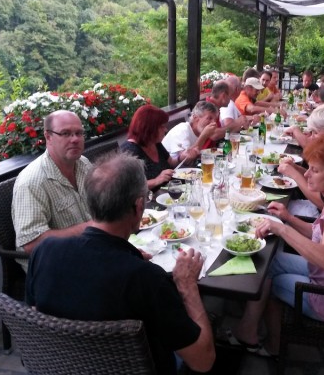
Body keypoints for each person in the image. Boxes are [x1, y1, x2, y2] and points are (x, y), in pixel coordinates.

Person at [25, 152, 216, 374]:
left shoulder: (45, 251)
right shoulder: (146, 279)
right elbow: (203, 361)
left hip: (62, 366)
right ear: (138, 206)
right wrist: (187, 286)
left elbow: (36, 316)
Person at [228, 134, 324, 357]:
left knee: (272, 280)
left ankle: (274, 347)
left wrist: (283, 229)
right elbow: (319, 234)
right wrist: (287, 217)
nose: (306, 174)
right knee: (270, 262)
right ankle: (249, 328)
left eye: (315, 170)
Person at [12, 110, 93, 271]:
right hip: (54, 268)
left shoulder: (83, 164)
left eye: (79, 133)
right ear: (48, 137)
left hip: (89, 250)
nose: (75, 139)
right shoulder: (31, 182)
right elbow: (32, 244)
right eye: (65, 133)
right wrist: (90, 227)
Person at [120, 104, 199, 192]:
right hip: (148, 202)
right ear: (149, 128)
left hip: (169, 192)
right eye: (162, 126)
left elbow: (171, 163)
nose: (165, 130)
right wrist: (156, 180)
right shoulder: (129, 151)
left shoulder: (155, 143)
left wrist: (181, 157)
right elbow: (128, 188)